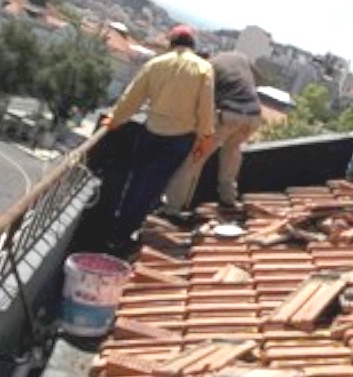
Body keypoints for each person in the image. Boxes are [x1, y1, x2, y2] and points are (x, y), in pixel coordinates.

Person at [105, 25, 215, 248]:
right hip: (179, 138)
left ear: (171, 43)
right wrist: (205, 137)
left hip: (151, 132)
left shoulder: (156, 64)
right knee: (152, 186)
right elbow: (206, 109)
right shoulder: (204, 69)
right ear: (192, 46)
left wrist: (115, 120)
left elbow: (132, 97)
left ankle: (118, 229)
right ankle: (125, 234)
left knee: (136, 181)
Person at [163, 50, 264, 214]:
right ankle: (228, 198)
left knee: (194, 160)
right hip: (253, 116)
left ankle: (172, 207)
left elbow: (201, 101)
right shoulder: (239, 56)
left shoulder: (208, 67)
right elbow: (258, 78)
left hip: (229, 115)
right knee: (232, 150)